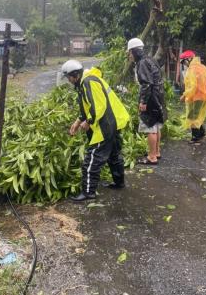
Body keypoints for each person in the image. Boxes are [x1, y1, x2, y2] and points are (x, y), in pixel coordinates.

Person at [61, 60, 130, 202]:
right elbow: (87, 106)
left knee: (92, 158)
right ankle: (119, 183)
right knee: (113, 155)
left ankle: (88, 193)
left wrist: (89, 121)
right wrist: (78, 121)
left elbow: (98, 106)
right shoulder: (84, 82)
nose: (68, 80)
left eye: (68, 77)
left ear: (75, 75)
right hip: (113, 121)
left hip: (106, 124)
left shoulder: (88, 82)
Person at [127, 38, 167, 165]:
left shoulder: (142, 63)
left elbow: (146, 84)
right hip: (158, 96)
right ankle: (156, 152)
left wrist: (143, 102)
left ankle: (151, 157)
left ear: (134, 51)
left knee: (150, 127)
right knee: (156, 126)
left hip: (150, 98)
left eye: (129, 53)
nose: (129, 56)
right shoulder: (150, 59)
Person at [179, 50, 206, 144]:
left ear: (189, 59)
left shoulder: (192, 70)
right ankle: (201, 133)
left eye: (183, 61)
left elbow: (193, 86)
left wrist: (184, 95)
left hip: (196, 97)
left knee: (193, 117)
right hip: (204, 96)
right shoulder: (203, 68)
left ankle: (195, 138)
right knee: (197, 116)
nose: (184, 64)